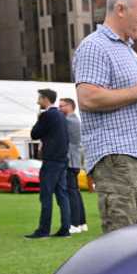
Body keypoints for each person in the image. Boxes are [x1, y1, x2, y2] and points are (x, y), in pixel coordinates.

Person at [73, 0, 137, 234]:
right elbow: (88, 98)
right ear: (121, 9)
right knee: (122, 244)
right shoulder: (95, 46)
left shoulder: (128, 50)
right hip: (119, 158)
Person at [26, 89, 71, 239]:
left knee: (46, 196)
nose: (38, 100)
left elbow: (34, 133)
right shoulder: (61, 115)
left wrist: (39, 119)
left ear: (45, 99)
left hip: (51, 160)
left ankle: (43, 229)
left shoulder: (47, 115)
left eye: (39, 97)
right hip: (62, 159)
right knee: (62, 195)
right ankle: (65, 228)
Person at [58, 97, 88, 233]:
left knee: (71, 193)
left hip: (70, 160)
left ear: (70, 106)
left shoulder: (69, 120)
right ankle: (81, 222)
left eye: (62, 106)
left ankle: (74, 223)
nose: (59, 109)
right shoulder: (74, 120)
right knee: (75, 192)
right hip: (74, 160)